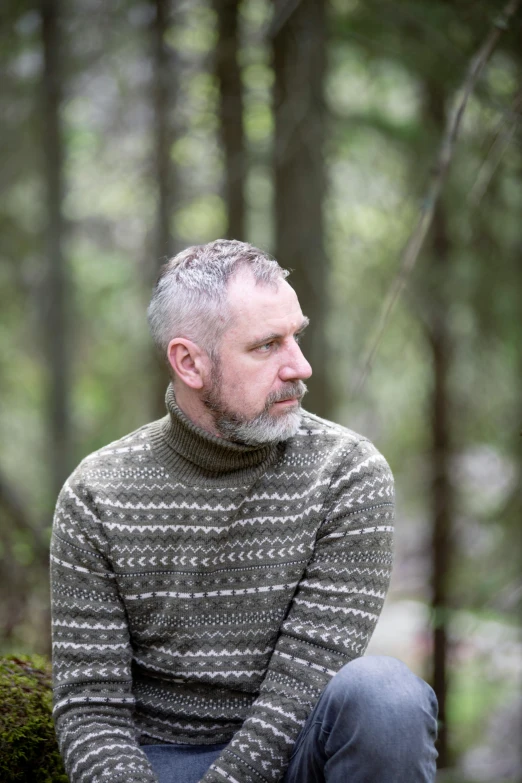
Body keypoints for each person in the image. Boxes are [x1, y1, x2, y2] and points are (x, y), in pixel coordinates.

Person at [50, 239, 438, 783]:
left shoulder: (348, 473)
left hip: (298, 750)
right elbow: (92, 710)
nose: (299, 366)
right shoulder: (98, 493)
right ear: (189, 362)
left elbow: (301, 687)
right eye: (266, 346)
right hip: (161, 760)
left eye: (296, 336)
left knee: (387, 695)